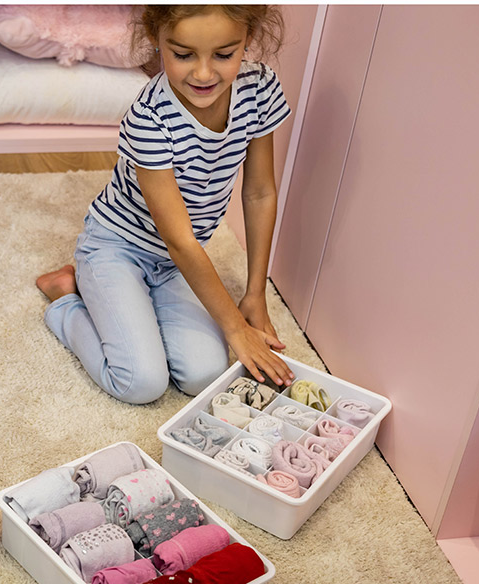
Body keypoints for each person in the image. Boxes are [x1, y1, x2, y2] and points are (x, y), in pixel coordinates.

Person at [37, 5, 295, 405]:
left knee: (205, 376)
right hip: (118, 248)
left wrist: (255, 294)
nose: (204, 73)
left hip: (177, 262)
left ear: (249, 39)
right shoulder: (150, 117)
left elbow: (259, 192)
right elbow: (180, 241)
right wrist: (235, 329)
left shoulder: (259, 89)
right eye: (184, 54)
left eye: (224, 55)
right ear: (157, 40)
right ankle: (67, 298)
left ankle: (133, 302)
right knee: (141, 382)